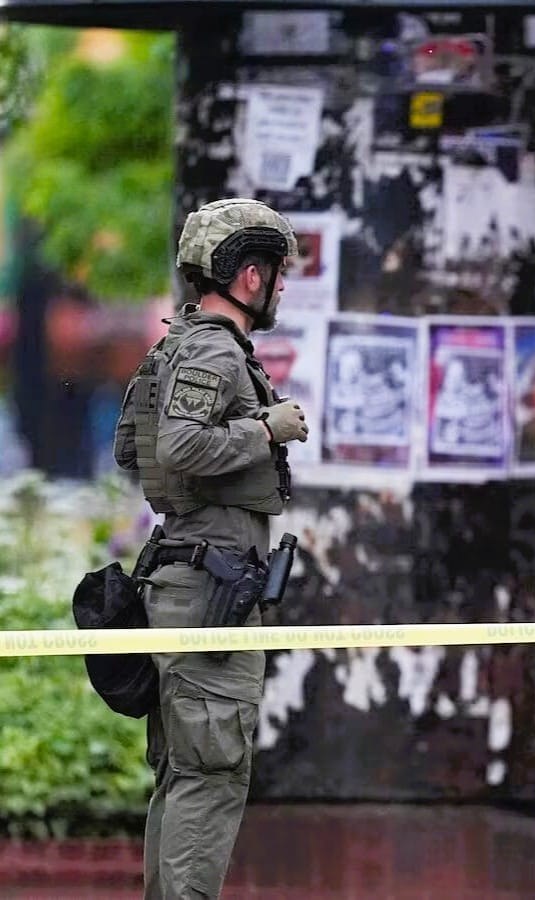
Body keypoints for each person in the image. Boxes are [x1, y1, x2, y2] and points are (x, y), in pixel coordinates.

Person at [112, 198, 309, 900]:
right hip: (208, 596)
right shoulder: (210, 349)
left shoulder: (181, 347)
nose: (283, 287)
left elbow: (136, 450)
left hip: (194, 583)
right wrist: (267, 430)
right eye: (279, 273)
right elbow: (180, 448)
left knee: (189, 775)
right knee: (211, 776)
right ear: (249, 276)